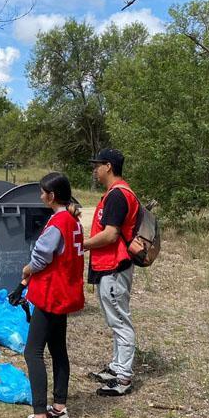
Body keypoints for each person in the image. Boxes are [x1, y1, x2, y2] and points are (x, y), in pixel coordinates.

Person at [6, 172, 84, 418]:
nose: (40, 196)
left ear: (51, 196)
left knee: (33, 352)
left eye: (42, 192)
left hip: (51, 295)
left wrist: (26, 270)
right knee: (58, 349)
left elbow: (41, 257)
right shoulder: (73, 221)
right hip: (64, 294)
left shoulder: (58, 222)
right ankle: (59, 409)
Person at [82, 148, 139, 397]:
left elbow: (111, 234)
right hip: (110, 265)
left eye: (98, 165)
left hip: (115, 266)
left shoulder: (118, 195)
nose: (95, 170)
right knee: (114, 319)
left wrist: (81, 244)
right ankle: (117, 368)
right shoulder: (116, 193)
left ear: (109, 166)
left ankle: (124, 377)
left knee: (120, 320)